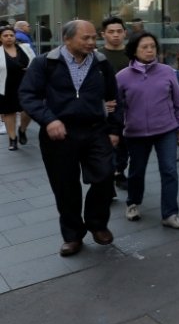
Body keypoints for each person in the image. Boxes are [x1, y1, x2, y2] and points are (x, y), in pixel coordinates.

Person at [19, 20, 123, 257]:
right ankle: (73, 235)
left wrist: (115, 130)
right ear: (67, 39)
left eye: (93, 37)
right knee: (65, 186)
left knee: (106, 176)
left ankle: (97, 224)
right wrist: (49, 120)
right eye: (85, 38)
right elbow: (28, 95)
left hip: (96, 130)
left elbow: (115, 98)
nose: (91, 42)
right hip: (59, 134)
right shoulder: (45, 63)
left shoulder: (101, 63)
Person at [117, 32, 179, 229]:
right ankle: (133, 203)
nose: (150, 50)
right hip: (136, 132)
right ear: (134, 50)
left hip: (166, 130)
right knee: (136, 171)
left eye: (153, 46)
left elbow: (178, 102)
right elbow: (116, 107)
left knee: (169, 171)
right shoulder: (122, 77)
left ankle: (170, 214)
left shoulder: (167, 71)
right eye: (144, 47)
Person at [98, 16, 132, 188]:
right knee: (108, 143)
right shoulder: (96, 56)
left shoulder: (133, 54)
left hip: (130, 107)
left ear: (125, 33)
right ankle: (107, 180)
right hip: (107, 108)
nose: (116, 35)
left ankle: (120, 172)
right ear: (103, 34)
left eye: (119, 31)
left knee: (125, 143)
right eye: (111, 32)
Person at [0, 26, 36, 150]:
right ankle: (12, 139)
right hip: (6, 86)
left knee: (29, 110)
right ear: (0, 38)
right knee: (9, 112)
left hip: (27, 84)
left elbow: (35, 62)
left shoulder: (25, 48)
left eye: (11, 35)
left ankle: (22, 129)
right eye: (5, 35)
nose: (9, 37)